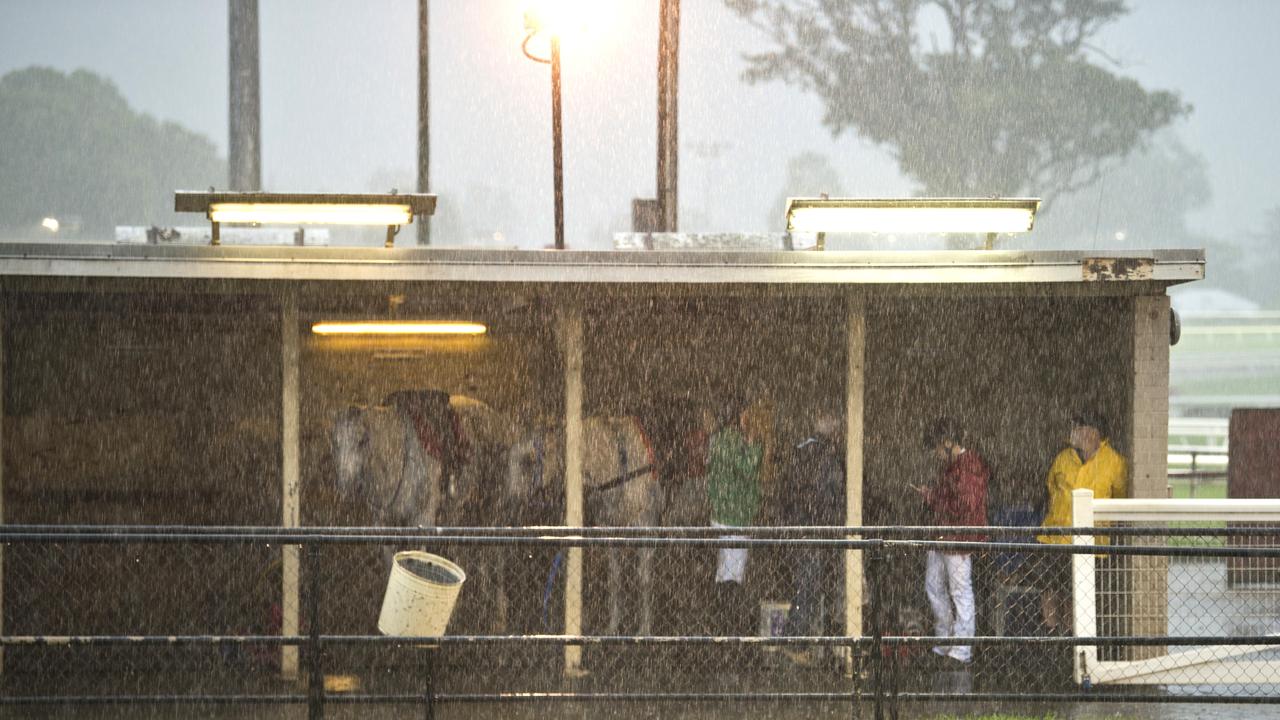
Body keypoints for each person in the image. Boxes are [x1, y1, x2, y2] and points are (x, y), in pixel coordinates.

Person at [1035, 411, 1128, 635]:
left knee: (1076, 594)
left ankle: (1071, 638)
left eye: (1077, 428)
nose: (1072, 433)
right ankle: (1050, 636)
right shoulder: (1063, 457)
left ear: (1093, 432)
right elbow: (1050, 487)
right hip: (1055, 538)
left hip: (1090, 543)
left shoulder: (1114, 462)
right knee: (1049, 589)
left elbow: (1120, 498)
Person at [912, 418, 989, 668]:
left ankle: (961, 649)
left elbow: (964, 505)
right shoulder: (959, 466)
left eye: (936, 448)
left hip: (956, 538)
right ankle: (945, 641)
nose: (935, 454)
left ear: (947, 444)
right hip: (945, 535)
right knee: (935, 586)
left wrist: (933, 498)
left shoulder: (967, 467)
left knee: (958, 591)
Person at [780, 405, 844, 665]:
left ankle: (800, 641)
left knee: (808, 586)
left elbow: (791, 493)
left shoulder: (802, 450)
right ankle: (795, 642)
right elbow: (826, 493)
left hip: (804, 528)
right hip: (814, 529)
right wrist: (830, 518)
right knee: (809, 586)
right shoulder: (822, 453)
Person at [706, 400, 764, 635]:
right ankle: (728, 626)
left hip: (723, 513)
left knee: (724, 571)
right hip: (734, 516)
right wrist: (755, 446)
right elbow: (748, 469)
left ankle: (719, 624)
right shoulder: (732, 441)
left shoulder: (719, 439)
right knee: (733, 574)